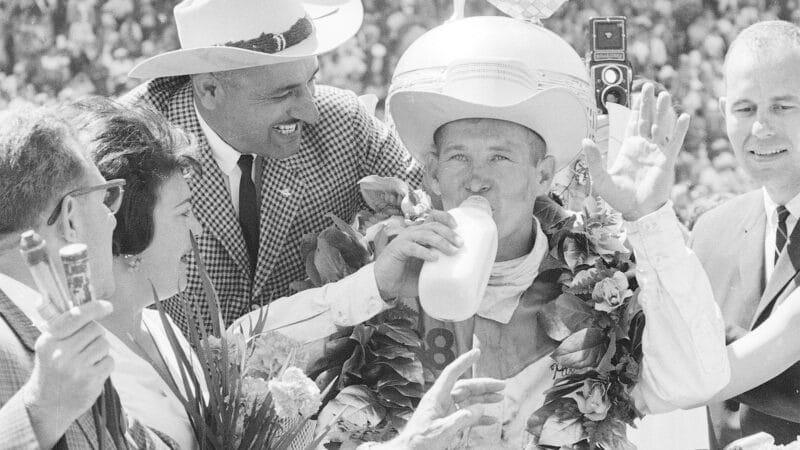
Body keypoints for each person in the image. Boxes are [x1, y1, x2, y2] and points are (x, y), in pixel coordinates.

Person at [66, 97, 501, 449]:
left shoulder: (155, 325)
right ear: (126, 227)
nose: (196, 229)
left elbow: (248, 339)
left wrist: (378, 283)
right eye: (183, 214)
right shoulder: (85, 373)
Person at [381, 14, 730, 448]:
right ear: (432, 174)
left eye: (500, 158)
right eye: (458, 158)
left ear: (543, 175)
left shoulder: (606, 283)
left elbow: (696, 380)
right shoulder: (389, 276)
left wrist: (650, 218)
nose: (476, 180)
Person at [121, 0, 423, 332]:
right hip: (175, 379)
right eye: (283, 94)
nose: (312, 112)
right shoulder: (130, 152)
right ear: (209, 89)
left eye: (311, 81)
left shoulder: (345, 123)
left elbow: (432, 198)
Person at [0, 106, 175, 448]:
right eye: (105, 198)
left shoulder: (62, 335)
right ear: (70, 218)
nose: (113, 220)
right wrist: (40, 411)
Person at [689, 20, 800, 445]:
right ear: (723, 113)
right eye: (745, 109)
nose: (761, 128)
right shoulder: (710, 232)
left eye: (782, 106)